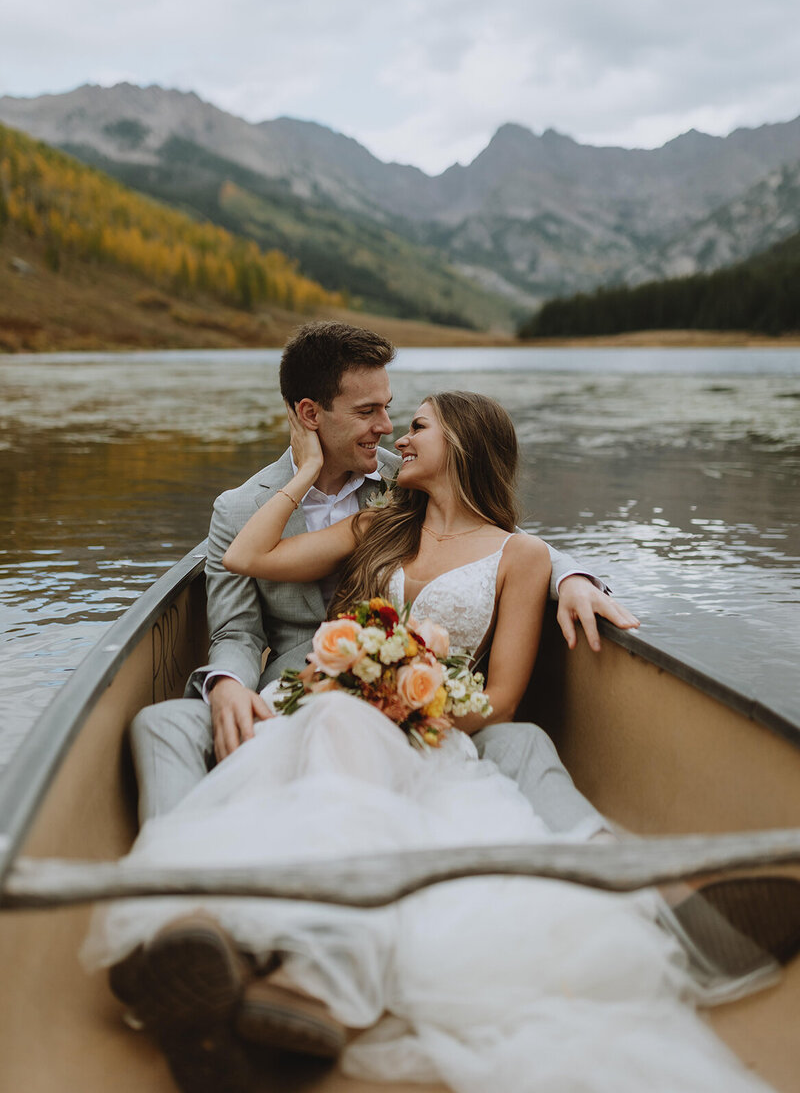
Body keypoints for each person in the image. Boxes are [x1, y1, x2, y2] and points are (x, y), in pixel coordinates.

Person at [84, 391, 773, 1093]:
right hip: (334, 712)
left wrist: (404, 708)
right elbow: (247, 554)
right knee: (327, 734)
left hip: (430, 730)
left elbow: (501, 697)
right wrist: (302, 471)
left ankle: (311, 966)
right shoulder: (379, 523)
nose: (398, 440)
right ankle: (244, 963)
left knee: (351, 733)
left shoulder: (523, 555)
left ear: (464, 443)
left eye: (415, 428)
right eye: (394, 422)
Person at [130, 321, 639, 829]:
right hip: (293, 685)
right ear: (310, 414)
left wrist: (571, 577)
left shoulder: (409, 479)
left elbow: (497, 538)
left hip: (416, 694)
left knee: (521, 741)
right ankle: (174, 872)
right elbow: (237, 630)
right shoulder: (241, 509)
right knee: (162, 723)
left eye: (391, 408)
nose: (388, 427)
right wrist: (225, 685)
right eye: (367, 411)